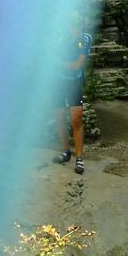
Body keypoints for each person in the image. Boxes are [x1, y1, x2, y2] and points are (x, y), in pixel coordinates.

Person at [53, 13, 92, 174]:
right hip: (58, 82)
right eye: (71, 25)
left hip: (74, 82)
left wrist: (57, 62)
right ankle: (66, 152)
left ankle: (79, 158)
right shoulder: (60, 37)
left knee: (76, 120)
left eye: (77, 25)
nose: (73, 28)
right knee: (60, 118)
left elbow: (77, 65)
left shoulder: (86, 38)